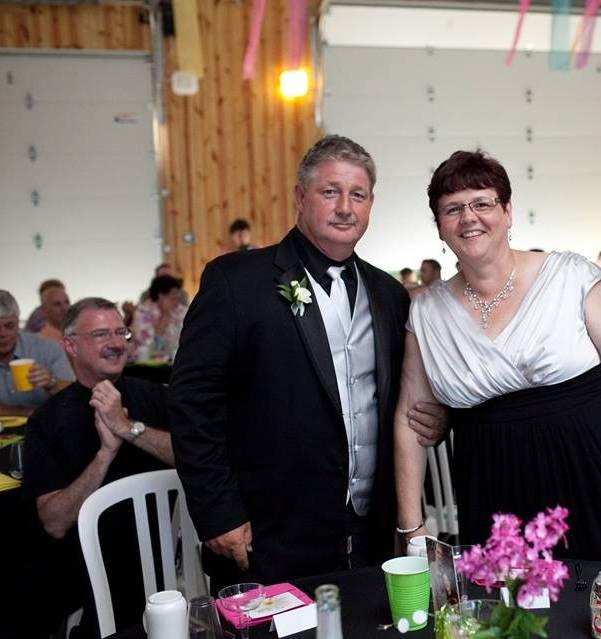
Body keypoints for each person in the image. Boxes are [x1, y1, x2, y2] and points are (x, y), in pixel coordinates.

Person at [169, 135, 447, 589]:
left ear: (371, 204)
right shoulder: (237, 282)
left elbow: (403, 395)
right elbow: (191, 404)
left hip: (367, 531)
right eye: (330, 191)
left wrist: (438, 418)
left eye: (358, 195)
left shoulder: (388, 294)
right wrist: (219, 512)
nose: (345, 207)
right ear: (300, 198)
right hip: (268, 532)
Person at [395, 149, 601, 562]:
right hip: (491, 487)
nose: (469, 217)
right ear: (439, 227)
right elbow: (410, 419)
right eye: (452, 209)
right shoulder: (427, 312)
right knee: (507, 616)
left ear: (507, 211)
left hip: (591, 473)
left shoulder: (570, 277)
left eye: (482, 203)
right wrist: (411, 526)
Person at [21, 297, 174, 638]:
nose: (117, 343)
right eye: (102, 334)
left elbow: (197, 459)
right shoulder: (47, 421)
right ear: (70, 345)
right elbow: (54, 522)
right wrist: (105, 454)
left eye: (121, 332)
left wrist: (129, 429)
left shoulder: (155, 397)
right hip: (86, 577)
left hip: (171, 570)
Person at [0, 290, 73, 416]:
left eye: (9, 325)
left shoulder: (47, 349)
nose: (2, 333)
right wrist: (28, 413)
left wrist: (52, 383)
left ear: (18, 323)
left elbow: (74, 396)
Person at [130, 274, 188, 362]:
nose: (177, 297)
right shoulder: (143, 312)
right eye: (173, 294)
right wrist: (165, 315)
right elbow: (146, 344)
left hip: (178, 361)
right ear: (161, 296)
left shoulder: (180, 311)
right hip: (148, 363)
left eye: (178, 294)